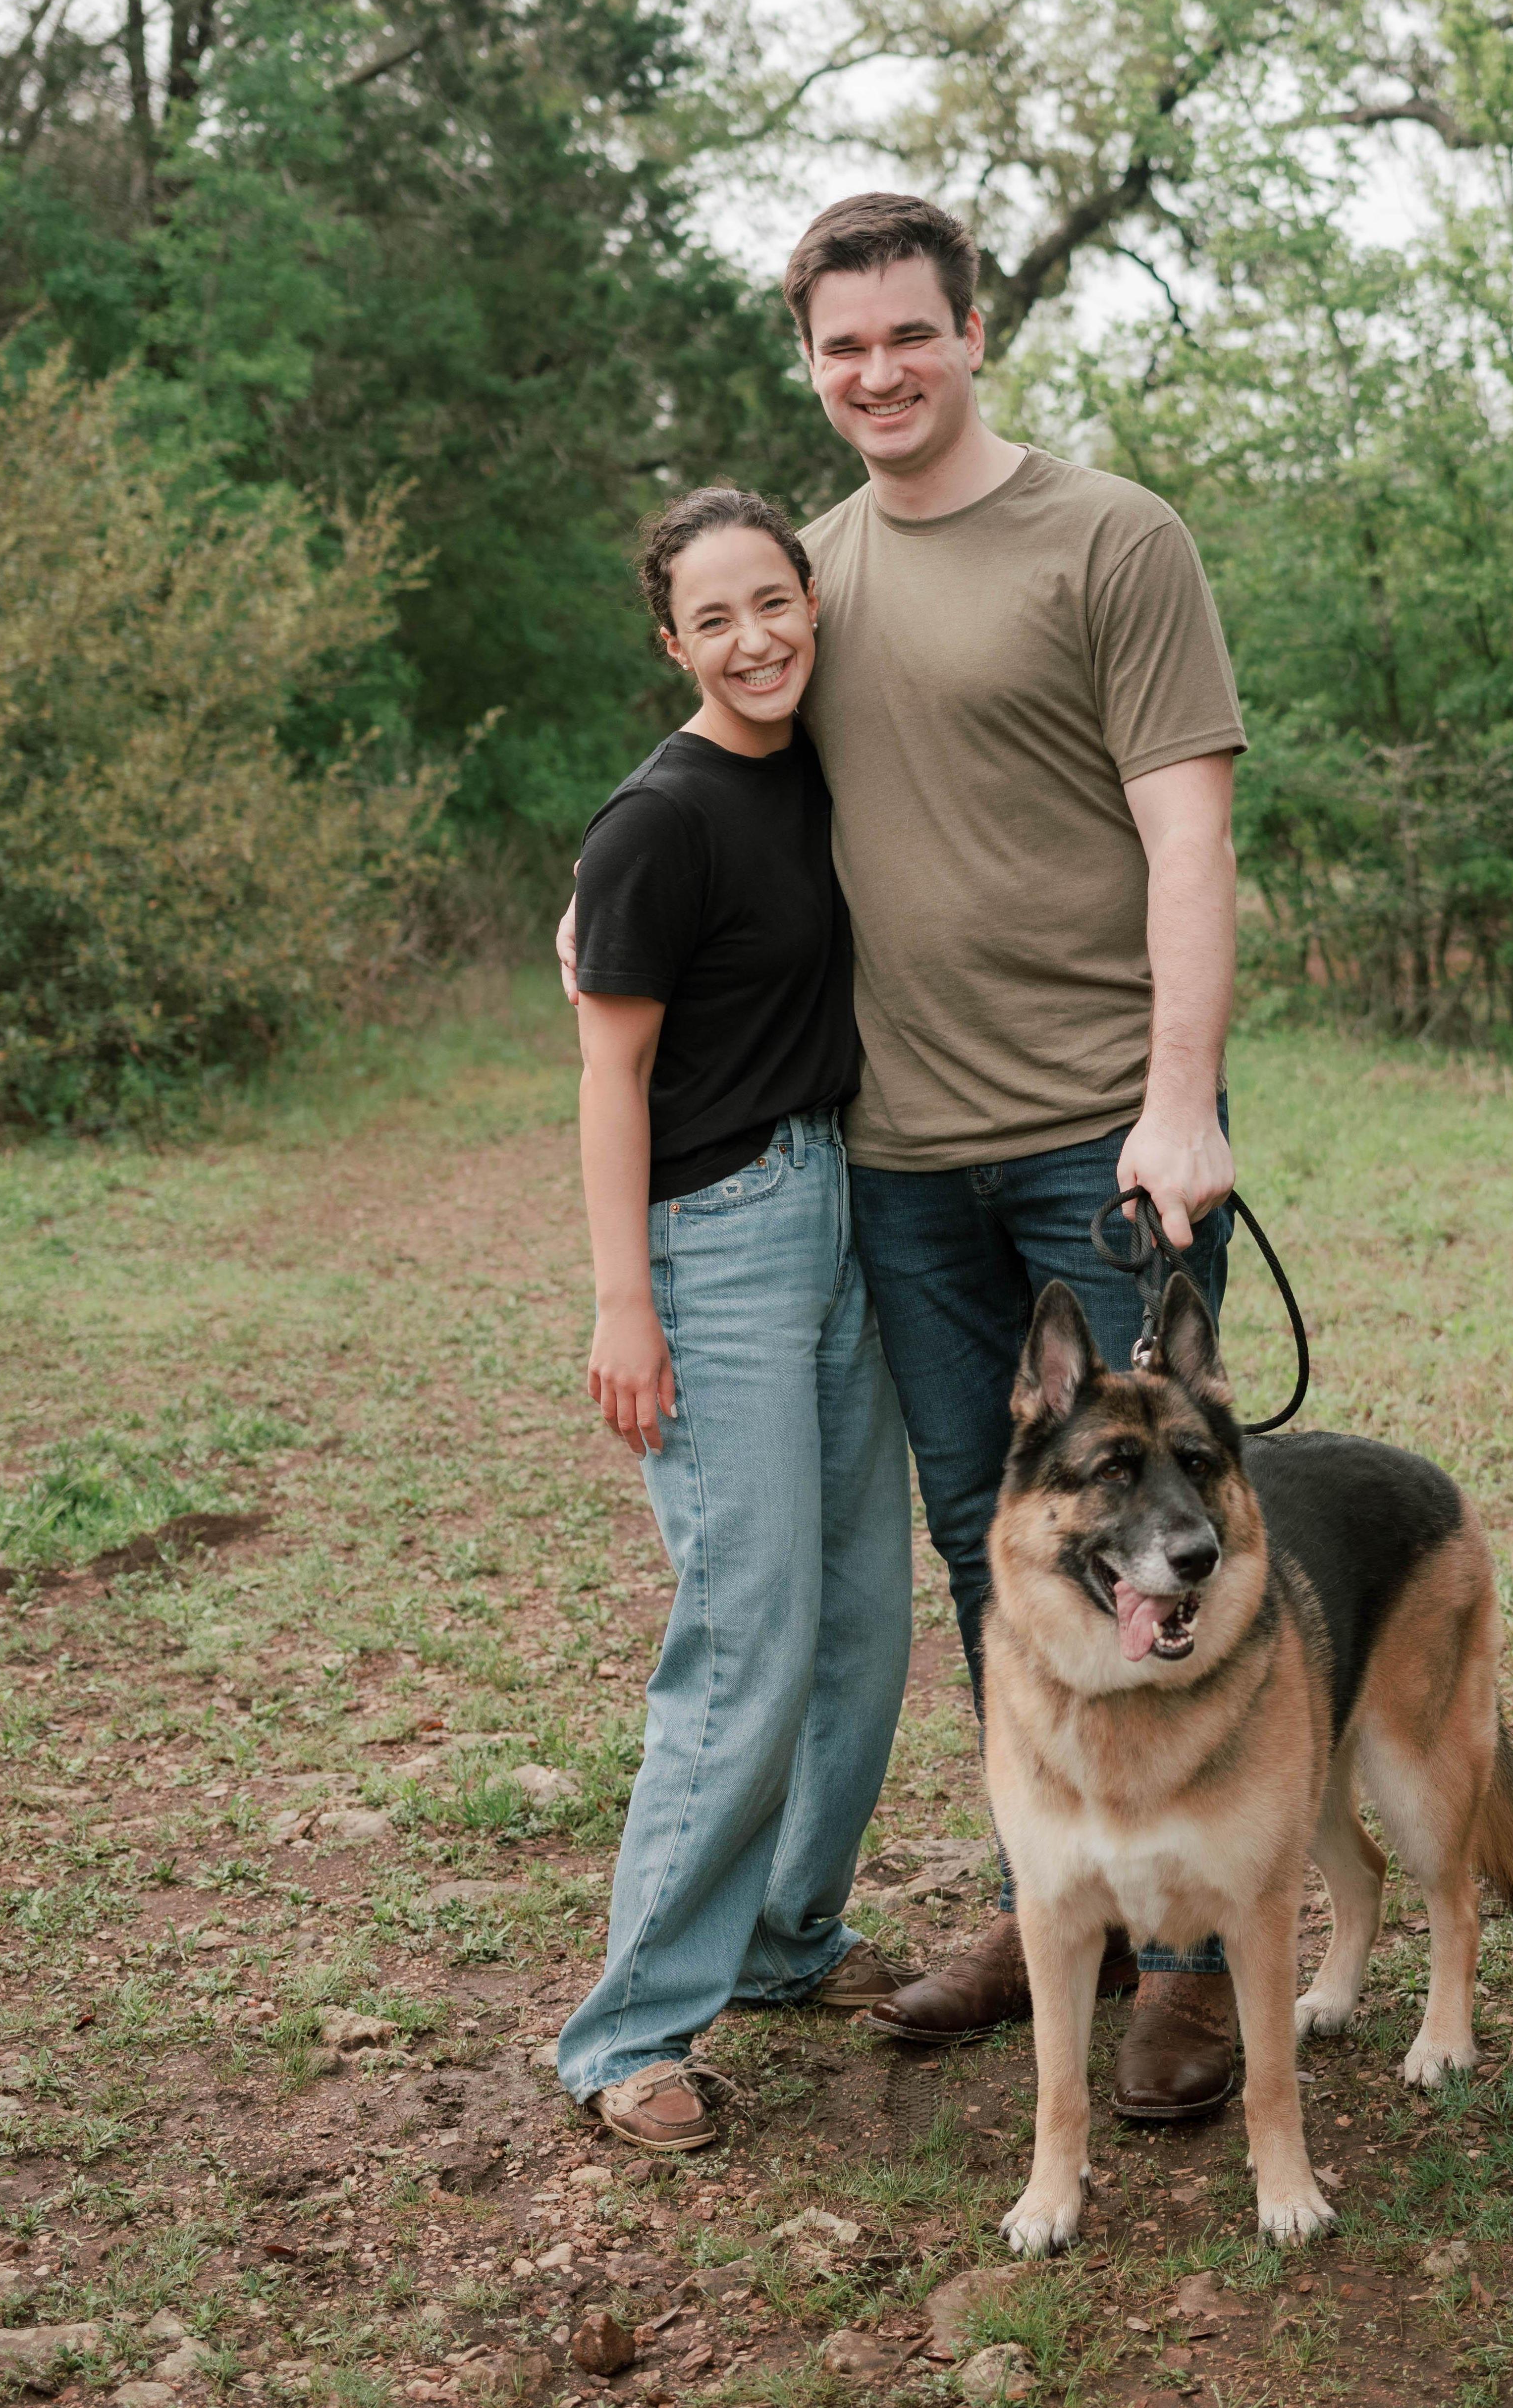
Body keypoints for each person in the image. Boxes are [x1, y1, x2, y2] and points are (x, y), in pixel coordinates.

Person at [563, 194, 1247, 2118]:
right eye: (841, 345)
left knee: (1167, 1530)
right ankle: (1065, 1899)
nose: (879, 371)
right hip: (896, 1170)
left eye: (908, 334)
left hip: (1099, 1141)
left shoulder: (1113, 539)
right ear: (810, 363)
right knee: (994, 1556)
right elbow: (717, 743)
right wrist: (596, 911)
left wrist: (1179, 1096)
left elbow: (1189, 835)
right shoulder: (820, 573)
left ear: (973, 333)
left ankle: (1189, 1964)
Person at [554, 487, 915, 2153]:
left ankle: (785, 1935)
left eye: (774, 602)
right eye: (715, 619)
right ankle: (632, 2031)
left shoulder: (824, 766)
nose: (754, 638)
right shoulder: (658, 820)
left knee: (864, 1622)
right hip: (716, 1244)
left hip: (841, 1203)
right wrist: (625, 1301)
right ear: (673, 644)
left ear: (811, 602)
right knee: (751, 1632)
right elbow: (609, 1071)